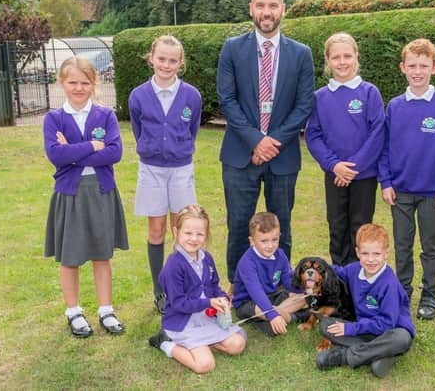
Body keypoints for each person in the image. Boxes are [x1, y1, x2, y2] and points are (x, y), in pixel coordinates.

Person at [217, 0, 315, 284]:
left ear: (283, 9)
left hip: (282, 156)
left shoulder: (301, 54)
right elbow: (227, 100)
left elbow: (304, 104)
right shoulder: (232, 49)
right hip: (239, 154)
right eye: (260, 6)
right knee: (238, 224)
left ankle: (282, 283)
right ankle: (237, 285)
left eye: (273, 6)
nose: (267, 12)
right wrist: (255, 140)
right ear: (251, 9)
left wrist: (274, 142)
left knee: (281, 224)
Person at [43, 56, 129, 338]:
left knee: (102, 255)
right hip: (70, 194)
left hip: (101, 191)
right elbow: (56, 156)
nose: (79, 88)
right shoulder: (53, 118)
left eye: (85, 82)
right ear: (62, 82)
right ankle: (74, 312)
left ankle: (106, 310)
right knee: (70, 256)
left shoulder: (105, 115)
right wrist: (92, 146)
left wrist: (74, 152)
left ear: (94, 84)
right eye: (72, 82)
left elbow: (114, 153)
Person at [377, 38, 435, 320]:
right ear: (402, 68)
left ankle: (429, 293)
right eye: (412, 65)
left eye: (424, 65)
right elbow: (384, 148)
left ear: (434, 68)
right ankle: (402, 292)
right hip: (399, 191)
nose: (417, 71)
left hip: (432, 192)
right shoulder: (395, 106)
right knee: (402, 244)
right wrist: (386, 182)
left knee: (430, 245)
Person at [128, 35, 202, 314]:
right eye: (161, 59)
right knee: (157, 230)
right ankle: (159, 290)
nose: (166, 65)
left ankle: (179, 287)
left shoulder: (191, 96)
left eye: (172, 60)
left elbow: (191, 129)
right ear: (152, 59)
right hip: (152, 170)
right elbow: (138, 129)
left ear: (180, 63)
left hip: (181, 169)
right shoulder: (138, 95)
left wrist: (178, 149)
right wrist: (153, 150)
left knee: (182, 231)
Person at [305, 32, 385, 266]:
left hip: (364, 175)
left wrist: (354, 167)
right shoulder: (319, 97)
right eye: (336, 57)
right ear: (327, 61)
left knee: (360, 225)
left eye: (347, 56)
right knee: (337, 224)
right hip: (334, 175)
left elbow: (378, 132)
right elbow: (313, 135)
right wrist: (334, 165)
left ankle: (359, 275)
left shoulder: (370, 92)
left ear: (356, 57)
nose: (342, 62)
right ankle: (339, 275)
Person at [148, 205, 247, 373]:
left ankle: (205, 343)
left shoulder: (206, 258)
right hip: (183, 322)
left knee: (237, 345)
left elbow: (214, 286)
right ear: (176, 232)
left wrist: (223, 298)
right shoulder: (173, 265)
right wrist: (209, 302)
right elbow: (179, 303)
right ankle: (165, 343)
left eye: (199, 234)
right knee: (205, 365)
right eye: (188, 233)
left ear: (206, 235)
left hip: (207, 318)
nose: (193, 238)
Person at [315, 224, 414, 378]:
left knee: (401, 339)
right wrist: (316, 270)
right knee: (326, 326)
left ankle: (344, 356)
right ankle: (380, 354)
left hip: (391, 330)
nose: (371, 259)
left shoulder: (390, 284)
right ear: (357, 252)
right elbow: (336, 272)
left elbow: (387, 323)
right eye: (365, 253)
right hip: (366, 332)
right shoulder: (354, 270)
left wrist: (351, 329)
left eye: (376, 254)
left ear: (386, 253)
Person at [231, 212, 308, 337]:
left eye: (275, 239)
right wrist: (272, 314)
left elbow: (287, 280)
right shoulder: (247, 262)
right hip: (248, 302)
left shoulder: (280, 255)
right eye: (264, 241)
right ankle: (293, 317)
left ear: (279, 236)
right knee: (262, 310)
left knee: (303, 297)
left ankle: (275, 316)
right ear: (252, 241)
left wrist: (303, 287)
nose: (270, 245)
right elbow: (256, 292)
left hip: (272, 296)